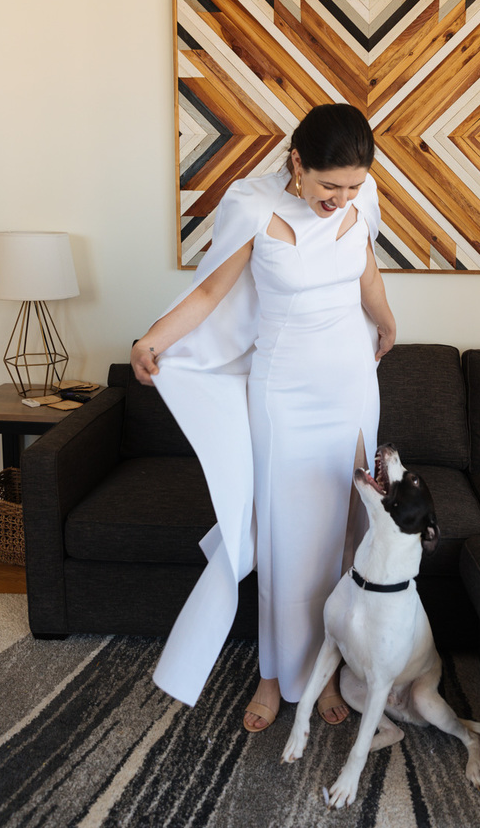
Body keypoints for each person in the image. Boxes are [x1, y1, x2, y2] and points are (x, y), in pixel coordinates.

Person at [131, 103, 396, 732]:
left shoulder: (365, 195)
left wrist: (387, 321)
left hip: (353, 389)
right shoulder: (250, 205)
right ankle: (273, 677)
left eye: (353, 186)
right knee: (284, 544)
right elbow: (207, 294)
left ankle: (325, 674)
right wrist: (151, 341)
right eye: (329, 185)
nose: (341, 198)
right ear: (297, 162)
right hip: (284, 397)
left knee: (342, 537)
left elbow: (367, 270)